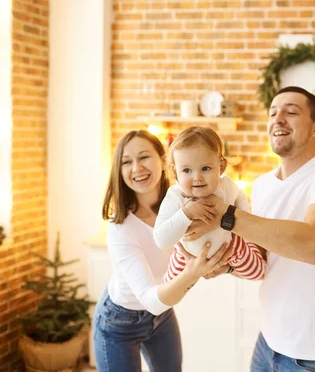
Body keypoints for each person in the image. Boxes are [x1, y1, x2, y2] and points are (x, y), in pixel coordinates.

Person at [210, 86, 315, 371]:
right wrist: (228, 265)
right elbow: (266, 262)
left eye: (291, 112)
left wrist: (228, 216)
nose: (278, 118)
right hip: (269, 339)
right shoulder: (263, 184)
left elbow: (313, 246)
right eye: (272, 112)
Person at [93, 130, 231, 372]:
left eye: (144, 157)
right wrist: (193, 273)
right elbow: (149, 300)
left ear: (163, 159)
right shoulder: (120, 229)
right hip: (120, 321)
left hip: (162, 313)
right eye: (127, 161)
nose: (137, 168)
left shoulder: (184, 202)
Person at [153, 126, 265, 281]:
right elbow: (161, 239)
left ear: (221, 167)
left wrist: (245, 231)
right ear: (175, 170)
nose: (197, 177)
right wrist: (187, 213)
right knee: (168, 284)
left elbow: (239, 196)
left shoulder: (226, 185)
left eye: (205, 168)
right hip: (187, 252)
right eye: (186, 170)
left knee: (258, 272)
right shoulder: (175, 196)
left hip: (230, 247)